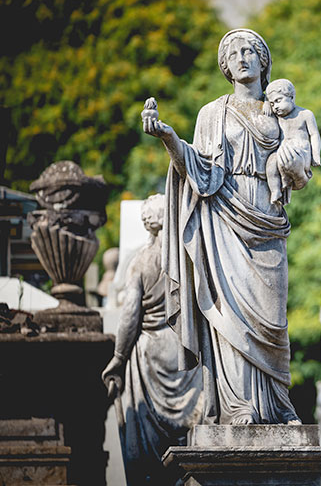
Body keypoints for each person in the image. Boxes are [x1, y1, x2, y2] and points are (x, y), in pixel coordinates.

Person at [142, 28, 300, 425]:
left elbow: (302, 164)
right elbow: (200, 170)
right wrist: (168, 138)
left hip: (268, 221)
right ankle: (238, 405)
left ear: (264, 62)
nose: (242, 57)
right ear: (225, 66)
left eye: (250, 51)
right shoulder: (213, 113)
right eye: (234, 53)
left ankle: (279, 404)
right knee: (230, 316)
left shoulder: (281, 110)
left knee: (273, 320)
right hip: (226, 223)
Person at [100, 194, 200, 484]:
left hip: (149, 353)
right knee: (189, 431)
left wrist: (118, 358)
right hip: (185, 352)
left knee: (148, 440)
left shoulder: (141, 262)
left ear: (148, 224)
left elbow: (130, 317)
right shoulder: (188, 257)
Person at [263, 78, 321, 205]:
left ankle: (289, 178)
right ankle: (275, 191)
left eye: (278, 101)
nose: (275, 106)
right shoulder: (277, 117)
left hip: (301, 152)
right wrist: (266, 104)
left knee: (287, 152)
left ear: (291, 97)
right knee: (271, 162)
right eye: (272, 104)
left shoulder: (305, 114)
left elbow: (314, 135)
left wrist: (315, 155)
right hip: (282, 153)